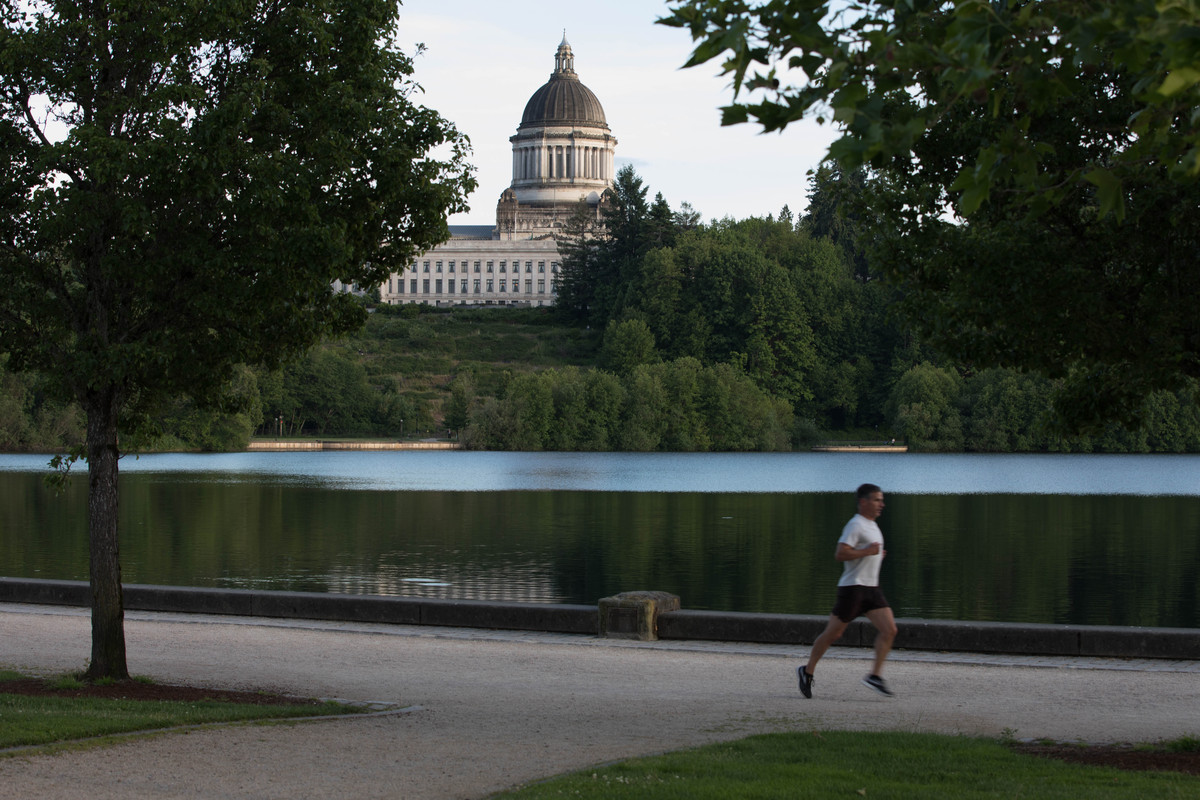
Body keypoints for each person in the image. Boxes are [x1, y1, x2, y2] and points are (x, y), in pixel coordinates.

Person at [798, 483, 898, 698]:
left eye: (881, 500)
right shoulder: (855, 525)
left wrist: (875, 556)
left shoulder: (873, 525)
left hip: (872, 589)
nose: (882, 504)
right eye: (877, 500)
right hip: (853, 589)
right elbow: (840, 554)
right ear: (863, 502)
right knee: (834, 633)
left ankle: (875, 676)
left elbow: (865, 553)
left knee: (890, 630)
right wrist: (866, 551)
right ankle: (807, 671)